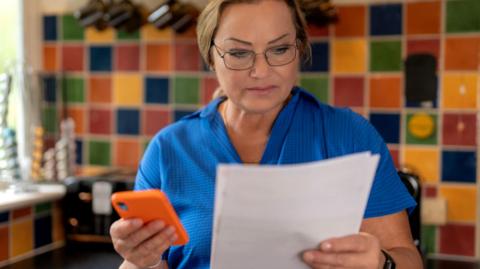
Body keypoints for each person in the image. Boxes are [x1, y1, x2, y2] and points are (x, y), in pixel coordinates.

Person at [110, 0, 423, 268]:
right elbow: (145, 263)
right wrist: (141, 260)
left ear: (299, 50)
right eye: (238, 53)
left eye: (280, 48)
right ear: (210, 56)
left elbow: (407, 258)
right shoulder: (169, 150)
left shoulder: (350, 137)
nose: (260, 71)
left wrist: (383, 263)